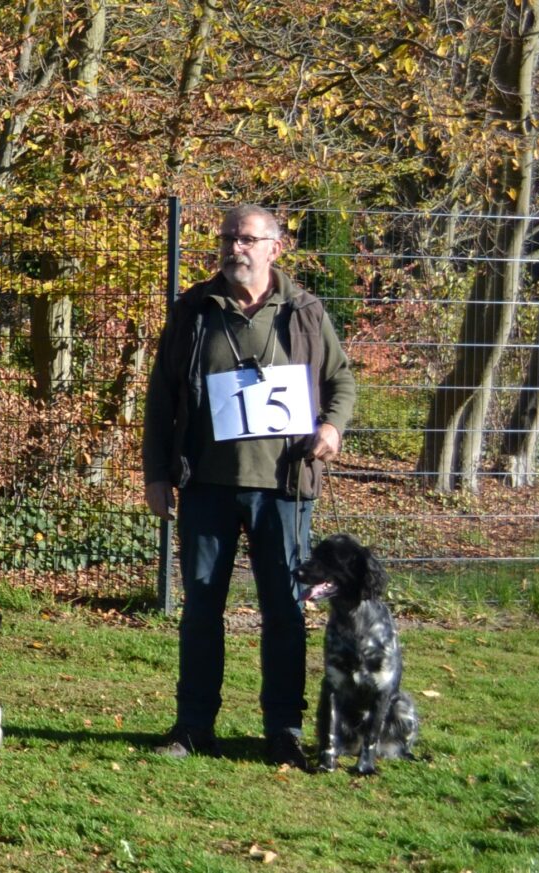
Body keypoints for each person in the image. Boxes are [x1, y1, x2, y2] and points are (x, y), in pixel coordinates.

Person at [143, 204, 356, 768]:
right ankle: (193, 727)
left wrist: (332, 428)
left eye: (246, 240)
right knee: (201, 610)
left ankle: (282, 729)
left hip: (283, 488)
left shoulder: (306, 312)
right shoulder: (192, 310)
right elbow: (161, 397)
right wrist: (157, 474)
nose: (234, 248)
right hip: (205, 486)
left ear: (273, 249)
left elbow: (341, 381)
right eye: (228, 238)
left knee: (285, 610)